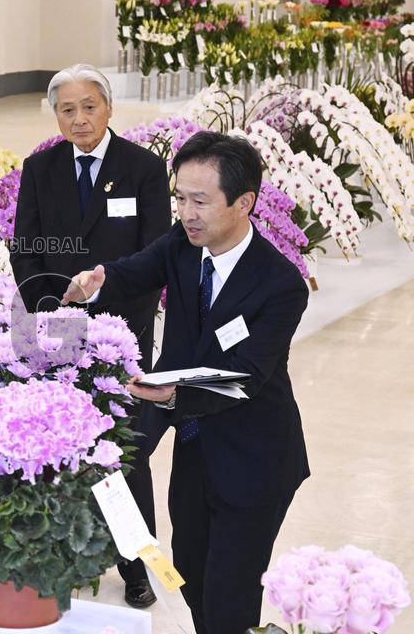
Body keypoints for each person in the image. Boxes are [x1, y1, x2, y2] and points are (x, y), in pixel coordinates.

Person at [63, 131, 309, 633]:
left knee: (230, 593)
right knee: (191, 576)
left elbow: (249, 376)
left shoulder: (280, 284)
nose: (187, 213)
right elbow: (135, 270)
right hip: (196, 447)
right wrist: (98, 279)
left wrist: (176, 394)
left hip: (254, 456)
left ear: (244, 203)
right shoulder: (183, 243)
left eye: (200, 201)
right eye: (180, 198)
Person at [9, 63, 171, 608]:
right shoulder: (40, 168)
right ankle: (58, 553)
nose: (78, 119)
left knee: (126, 450)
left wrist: (108, 314)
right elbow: (24, 247)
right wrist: (51, 308)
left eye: (88, 106)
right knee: (56, 443)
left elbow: (156, 255)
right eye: (66, 109)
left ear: (108, 107)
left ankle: (137, 563)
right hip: (56, 330)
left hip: (122, 333)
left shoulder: (144, 168)